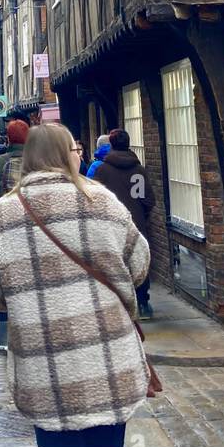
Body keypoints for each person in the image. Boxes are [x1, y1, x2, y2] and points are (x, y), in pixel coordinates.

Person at [0, 123, 150, 447]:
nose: (78, 155)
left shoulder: (2, 215)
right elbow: (139, 265)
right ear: (63, 154)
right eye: (74, 149)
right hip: (107, 360)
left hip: (45, 368)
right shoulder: (102, 201)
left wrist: (27, 293)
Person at [92, 128, 155, 321]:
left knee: (116, 264)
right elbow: (149, 200)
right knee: (140, 262)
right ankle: (143, 302)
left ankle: (120, 303)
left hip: (111, 227)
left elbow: (95, 199)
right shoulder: (139, 170)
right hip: (137, 224)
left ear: (111, 145)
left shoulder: (102, 170)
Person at [0, 119, 30, 349]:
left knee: (4, 277)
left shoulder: (0, 163)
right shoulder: (37, 161)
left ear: (8, 139)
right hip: (33, 227)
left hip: (7, 228)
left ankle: (4, 330)